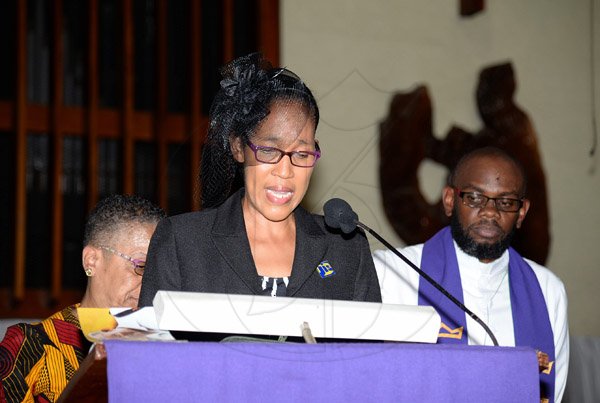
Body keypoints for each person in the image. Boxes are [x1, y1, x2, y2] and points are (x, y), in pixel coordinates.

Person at [139, 53, 381, 306]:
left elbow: (371, 346)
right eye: (268, 151)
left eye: (301, 153)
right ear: (238, 147)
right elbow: (152, 343)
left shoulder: (347, 249)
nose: (285, 171)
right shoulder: (182, 242)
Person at [373, 147, 568, 403]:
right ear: (449, 201)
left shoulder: (547, 289)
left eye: (506, 202)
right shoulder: (394, 272)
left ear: (521, 212)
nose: (490, 212)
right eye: (475, 198)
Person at [0, 195, 165, 402]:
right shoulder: (32, 347)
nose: (152, 281)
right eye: (141, 266)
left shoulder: (168, 346)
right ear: (92, 260)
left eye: (159, 270)